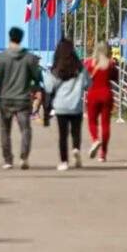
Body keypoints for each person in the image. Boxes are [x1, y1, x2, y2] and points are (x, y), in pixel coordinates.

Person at [0, 27, 42, 170]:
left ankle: (8, 160)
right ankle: (24, 157)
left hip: (6, 99)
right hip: (23, 99)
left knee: (4, 130)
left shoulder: (1, 57)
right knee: (25, 129)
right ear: (21, 38)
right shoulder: (29, 58)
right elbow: (37, 77)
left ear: (10, 37)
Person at [45, 39, 91, 171]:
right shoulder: (80, 68)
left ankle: (64, 161)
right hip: (76, 105)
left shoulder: (56, 69)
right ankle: (76, 149)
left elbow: (48, 87)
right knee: (76, 132)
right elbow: (88, 84)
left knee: (62, 135)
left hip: (60, 106)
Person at [84, 42, 118, 162]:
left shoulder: (89, 63)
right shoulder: (110, 64)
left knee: (92, 121)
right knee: (105, 124)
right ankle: (103, 154)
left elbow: (85, 79)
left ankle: (95, 139)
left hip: (93, 94)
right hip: (106, 94)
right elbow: (116, 77)